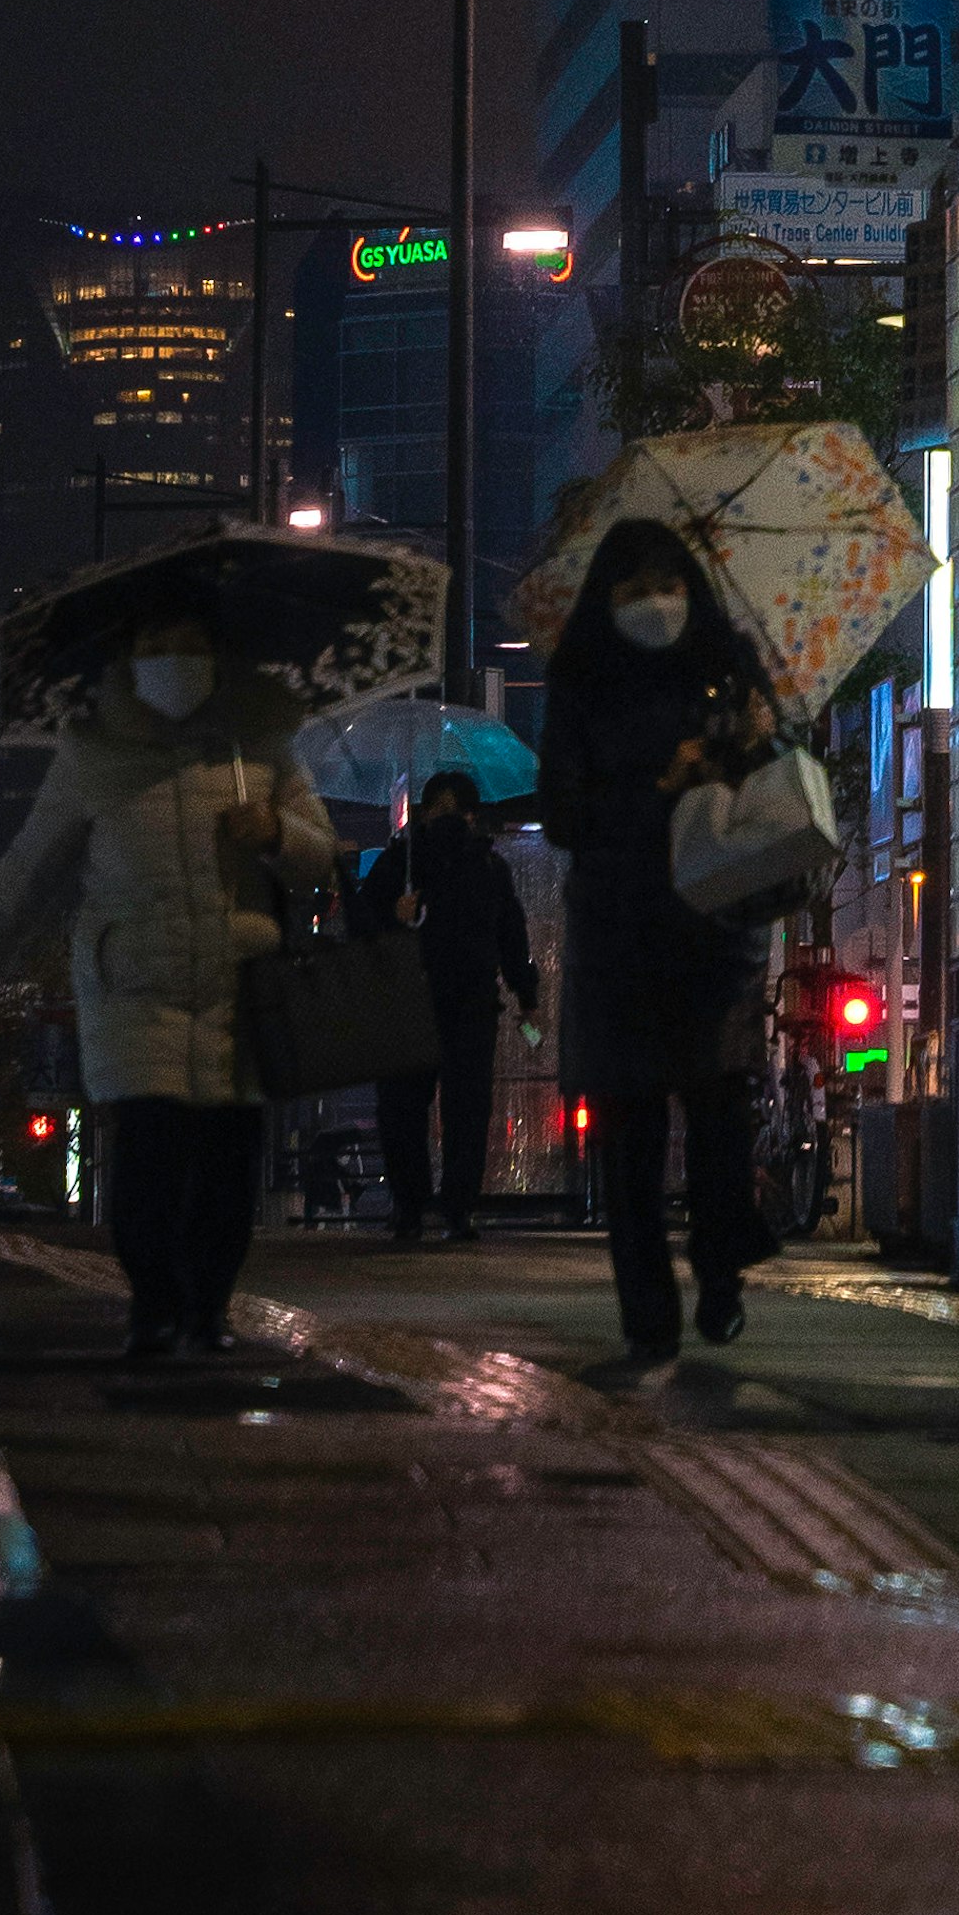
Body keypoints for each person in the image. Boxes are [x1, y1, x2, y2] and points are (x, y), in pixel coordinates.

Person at [0, 592, 333, 1359]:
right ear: (126, 657)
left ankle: (208, 1309)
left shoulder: (263, 743)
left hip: (238, 986)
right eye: (158, 637)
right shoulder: (92, 754)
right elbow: (23, 879)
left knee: (226, 1165)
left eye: (191, 638)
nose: (175, 657)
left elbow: (323, 858)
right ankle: (155, 1308)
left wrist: (278, 833)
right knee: (151, 1158)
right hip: (134, 989)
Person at [537, 525, 777, 1363]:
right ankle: (646, 1309)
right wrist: (659, 788)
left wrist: (754, 742)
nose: (655, 601)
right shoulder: (580, 679)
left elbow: (769, 783)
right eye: (634, 586)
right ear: (605, 596)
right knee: (630, 1136)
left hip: (714, 930)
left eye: (668, 582)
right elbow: (563, 812)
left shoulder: (727, 663)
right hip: (618, 930)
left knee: (720, 1118)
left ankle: (721, 1273)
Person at [346, 767, 541, 1243]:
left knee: (415, 1107)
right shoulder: (427, 865)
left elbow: (361, 923)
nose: (449, 818)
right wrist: (526, 995)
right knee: (458, 1109)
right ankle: (449, 1207)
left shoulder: (413, 862)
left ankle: (419, 1207)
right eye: (442, 808)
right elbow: (511, 936)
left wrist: (391, 914)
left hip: (429, 1001)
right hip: (452, 1001)